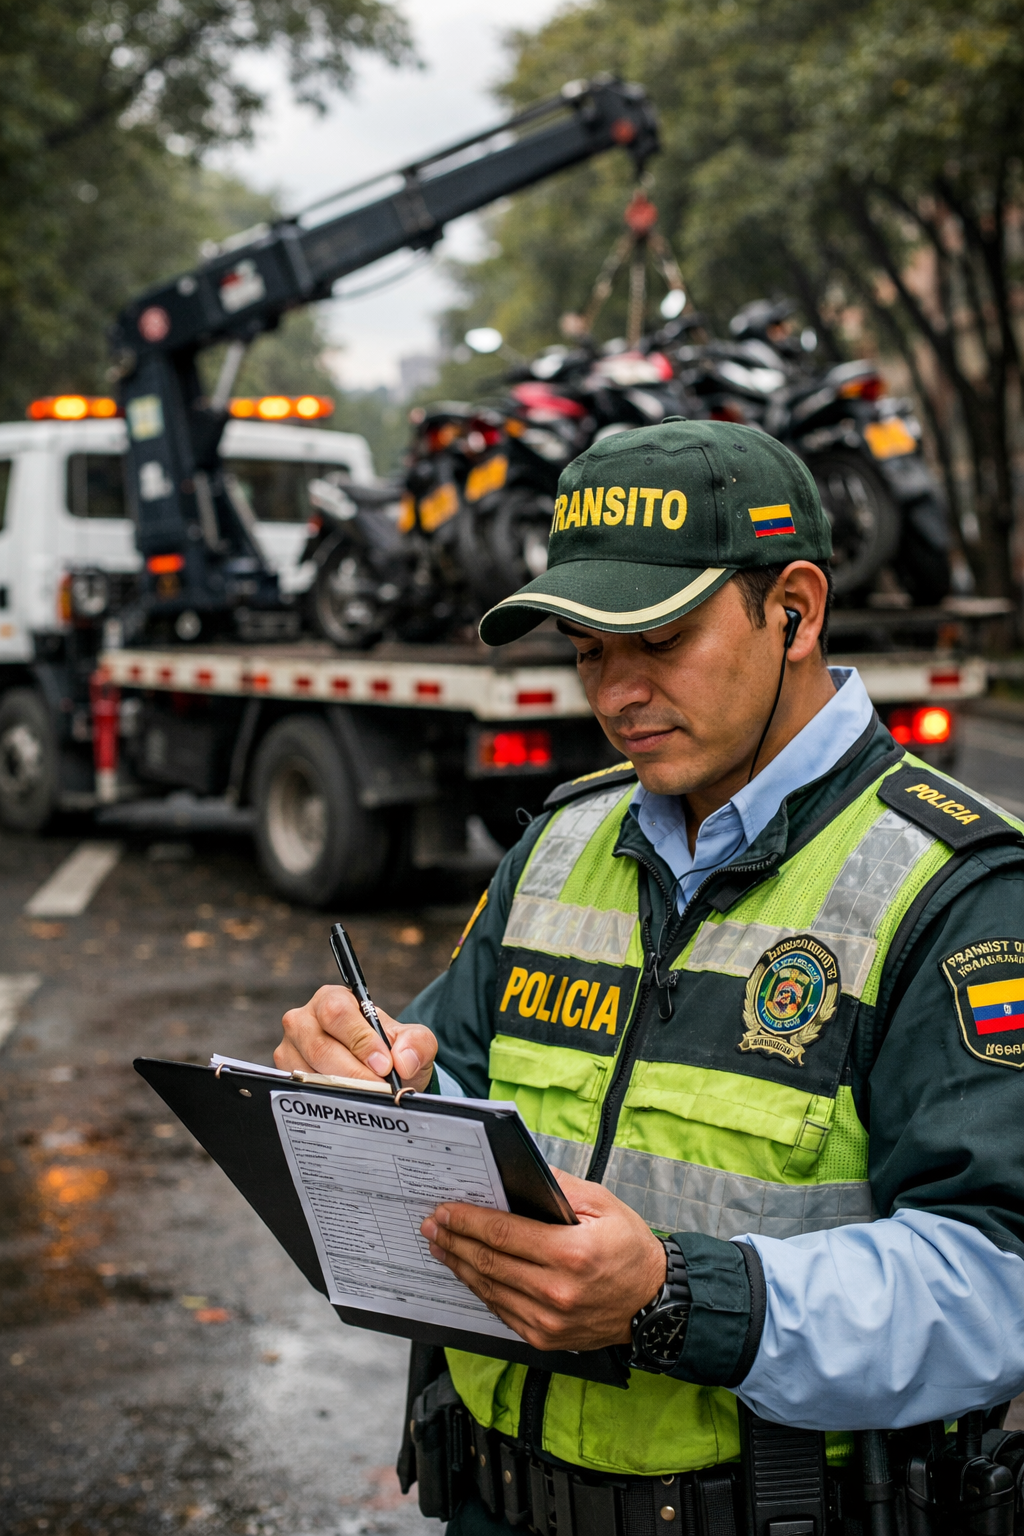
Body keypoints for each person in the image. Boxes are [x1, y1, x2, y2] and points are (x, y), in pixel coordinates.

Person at [276, 420, 1024, 1534]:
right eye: (585, 650)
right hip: (492, 1500)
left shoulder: (958, 890)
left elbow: (997, 1287)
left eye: (659, 638)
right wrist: (371, 1087)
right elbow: (454, 1110)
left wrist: (679, 1301)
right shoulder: (559, 842)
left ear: (795, 611)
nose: (616, 692)